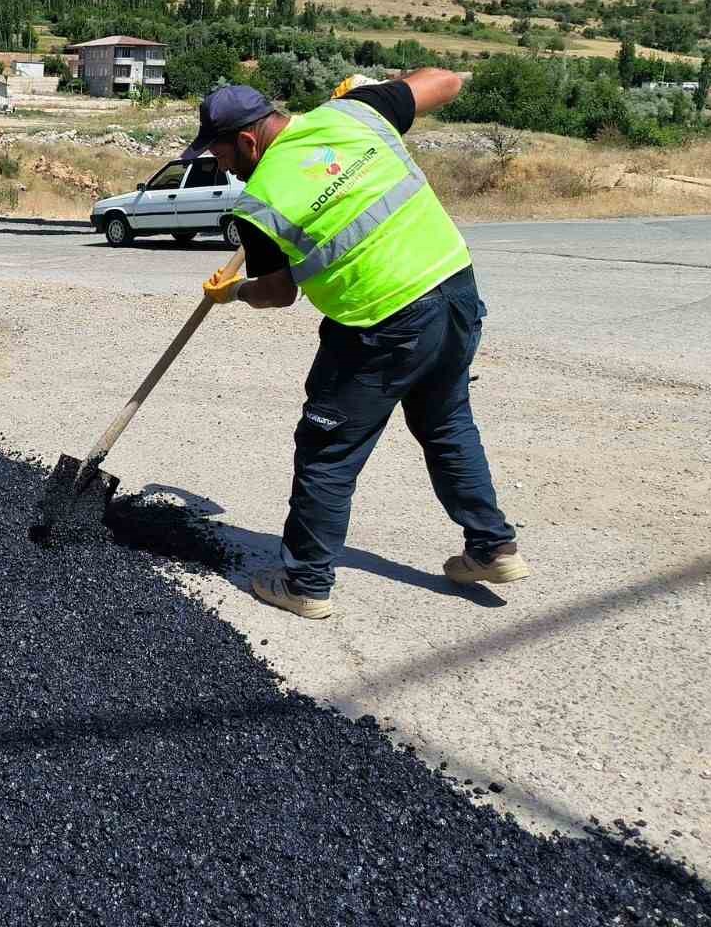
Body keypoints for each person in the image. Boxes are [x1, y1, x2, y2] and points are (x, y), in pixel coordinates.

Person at [187, 74, 526, 620]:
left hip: (380, 324)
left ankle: (305, 583)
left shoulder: (260, 204)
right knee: (446, 423)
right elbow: (449, 81)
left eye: (221, 154)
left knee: (328, 451)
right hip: (453, 290)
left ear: (248, 142)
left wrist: (235, 292)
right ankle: (491, 547)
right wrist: (379, 87)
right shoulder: (352, 115)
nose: (221, 166)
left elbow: (278, 294)